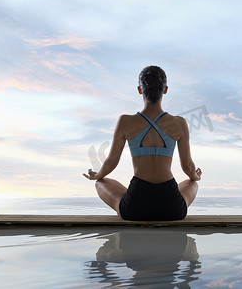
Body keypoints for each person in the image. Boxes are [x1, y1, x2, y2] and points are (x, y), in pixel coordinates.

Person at [83, 65, 201, 221]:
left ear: (140, 90)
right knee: (192, 183)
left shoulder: (126, 121)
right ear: (165, 90)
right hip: (172, 207)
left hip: (135, 206)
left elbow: (111, 162)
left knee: (100, 182)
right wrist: (196, 176)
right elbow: (188, 167)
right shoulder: (179, 123)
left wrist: (96, 175)